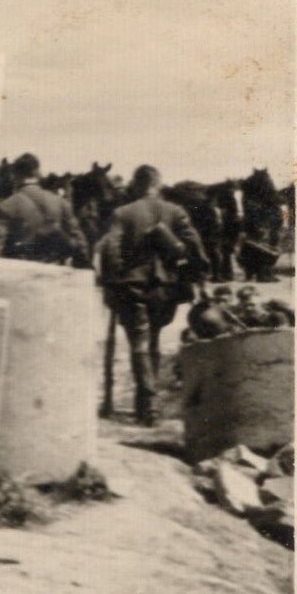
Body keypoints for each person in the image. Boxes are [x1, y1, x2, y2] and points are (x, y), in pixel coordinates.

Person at [97, 164, 208, 425]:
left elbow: (110, 248)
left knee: (139, 343)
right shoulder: (175, 211)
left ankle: (147, 404)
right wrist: (198, 273)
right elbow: (194, 245)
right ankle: (146, 402)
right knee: (154, 340)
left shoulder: (122, 213)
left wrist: (113, 279)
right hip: (166, 288)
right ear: (159, 184)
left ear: (136, 185)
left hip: (132, 287)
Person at [0, 153, 87, 264]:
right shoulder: (60, 202)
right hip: (55, 271)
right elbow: (80, 242)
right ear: (37, 173)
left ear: (15, 175)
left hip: (20, 272)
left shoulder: (6, 206)